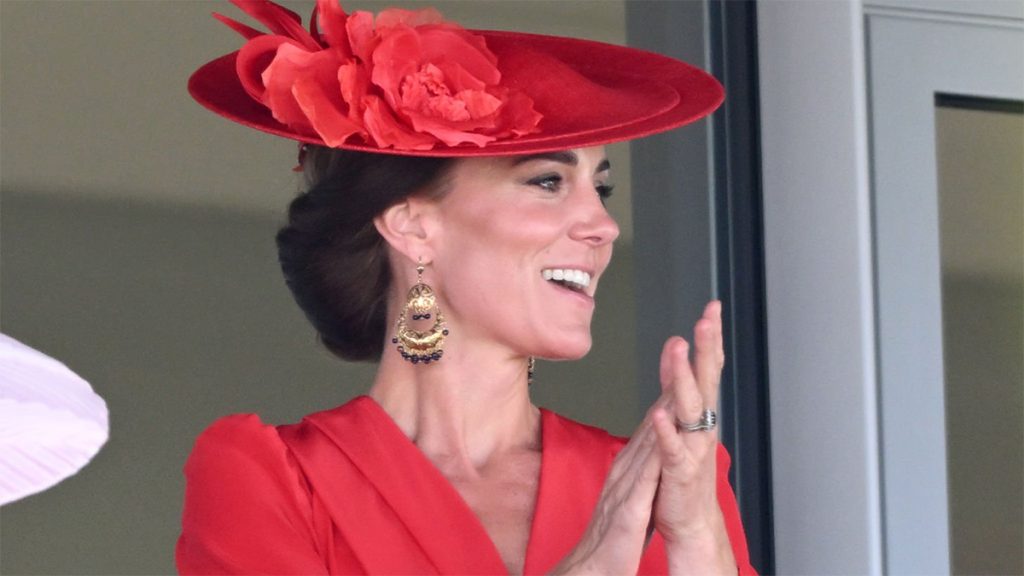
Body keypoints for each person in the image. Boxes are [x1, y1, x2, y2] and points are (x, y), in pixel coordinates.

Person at [178, 1, 756, 574]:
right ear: (413, 226)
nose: (604, 226)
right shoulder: (274, 480)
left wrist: (700, 546)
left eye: (600, 190)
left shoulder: (667, 480)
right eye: (548, 181)